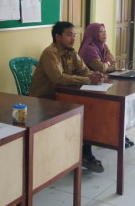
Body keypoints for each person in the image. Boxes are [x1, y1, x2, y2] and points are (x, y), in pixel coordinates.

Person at [29, 21, 106, 173]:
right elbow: (58, 78)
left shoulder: (71, 52)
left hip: (63, 95)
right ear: (58, 37)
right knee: (81, 112)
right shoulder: (50, 53)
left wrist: (95, 75)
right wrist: (89, 80)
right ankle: (78, 153)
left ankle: (83, 152)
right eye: (69, 35)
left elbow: (83, 70)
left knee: (89, 110)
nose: (73, 38)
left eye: (74, 34)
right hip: (45, 99)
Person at [78, 23, 135, 148]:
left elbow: (112, 64)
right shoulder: (89, 49)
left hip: (101, 83)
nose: (104, 34)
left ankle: (119, 134)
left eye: (105, 31)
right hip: (89, 87)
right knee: (111, 106)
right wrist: (107, 62)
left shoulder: (103, 46)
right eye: (101, 32)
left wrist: (107, 64)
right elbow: (101, 67)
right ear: (93, 34)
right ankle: (113, 136)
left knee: (118, 105)